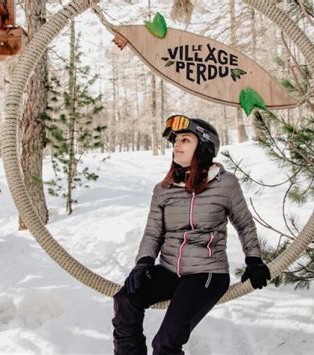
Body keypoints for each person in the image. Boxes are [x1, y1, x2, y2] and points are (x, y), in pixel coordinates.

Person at [112, 114, 271, 355]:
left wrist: (254, 260)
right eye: (175, 140)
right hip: (168, 271)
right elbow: (153, 232)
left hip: (206, 274)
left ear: (204, 147)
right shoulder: (163, 189)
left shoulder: (226, 184)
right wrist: (143, 263)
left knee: (165, 343)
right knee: (125, 300)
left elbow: (245, 224)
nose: (176, 144)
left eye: (185, 139)